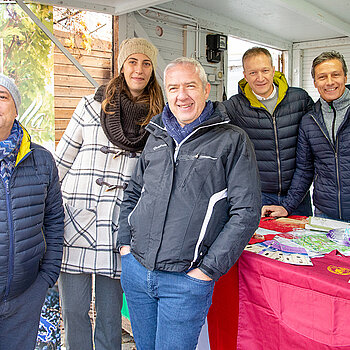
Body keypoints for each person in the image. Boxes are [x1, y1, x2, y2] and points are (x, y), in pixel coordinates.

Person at [117, 57, 261, 349]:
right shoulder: (156, 136)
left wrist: (207, 270)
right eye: (173, 88)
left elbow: (245, 212)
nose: (181, 96)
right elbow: (133, 192)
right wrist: (125, 246)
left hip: (185, 281)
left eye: (190, 86)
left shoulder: (231, 141)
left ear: (206, 90)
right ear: (166, 93)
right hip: (138, 271)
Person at [55, 38, 164, 350]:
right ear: (122, 65)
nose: (138, 69)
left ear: (153, 68)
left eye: (146, 63)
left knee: (109, 312)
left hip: (120, 226)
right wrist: (45, 211)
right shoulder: (91, 105)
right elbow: (61, 161)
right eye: (132, 61)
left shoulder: (159, 119)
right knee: (74, 309)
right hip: (75, 220)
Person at [0, 74, 64, 349]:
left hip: (25, 298)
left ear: (16, 110)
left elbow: (55, 221)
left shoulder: (41, 160)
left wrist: (46, 278)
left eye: (2, 97)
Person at [223, 47, 314, 216]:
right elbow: (207, 119)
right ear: (245, 75)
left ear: (274, 70)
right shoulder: (235, 106)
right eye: (253, 73)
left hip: (298, 195)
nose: (260, 78)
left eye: (265, 70)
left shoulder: (299, 99)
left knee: (305, 242)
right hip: (260, 196)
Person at [262, 51, 350, 221]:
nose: (330, 82)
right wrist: (287, 206)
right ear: (315, 82)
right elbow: (304, 170)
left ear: (345, 77)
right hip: (325, 215)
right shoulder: (309, 121)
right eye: (322, 77)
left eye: (335, 75)